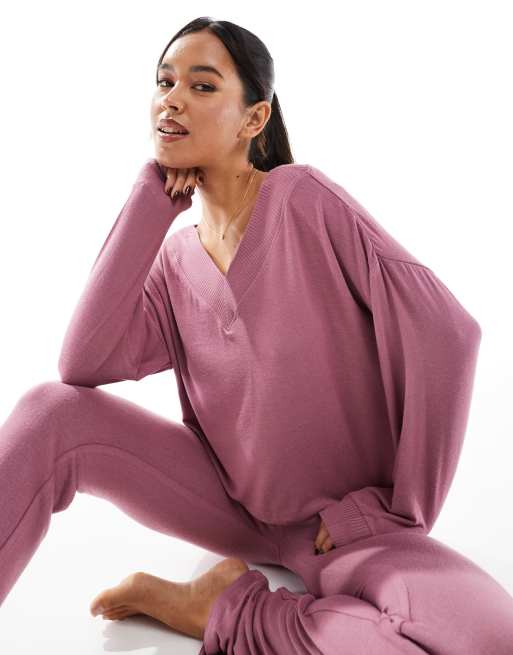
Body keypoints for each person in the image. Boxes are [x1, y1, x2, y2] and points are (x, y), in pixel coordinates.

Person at [1, 16, 513, 655]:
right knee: (51, 412)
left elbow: (446, 332)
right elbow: (83, 364)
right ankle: (236, 609)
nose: (172, 98)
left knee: (494, 639)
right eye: (164, 82)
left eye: (202, 85)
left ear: (254, 119)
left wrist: (402, 508)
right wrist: (150, 202)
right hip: (229, 508)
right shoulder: (176, 261)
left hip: (350, 529)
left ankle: (221, 610)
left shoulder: (302, 200)